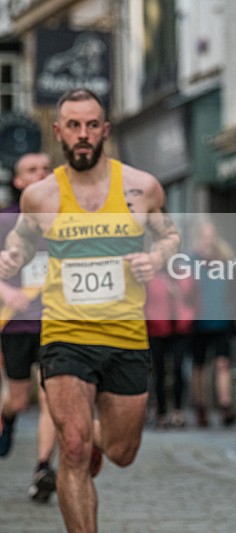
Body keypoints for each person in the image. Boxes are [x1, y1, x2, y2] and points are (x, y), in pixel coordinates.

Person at [0, 88, 180, 533]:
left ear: (105, 130)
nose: (83, 135)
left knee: (121, 451)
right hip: (64, 333)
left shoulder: (141, 187)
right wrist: (10, 260)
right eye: (73, 126)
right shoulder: (41, 196)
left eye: (91, 125)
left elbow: (170, 235)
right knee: (74, 447)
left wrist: (154, 258)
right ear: (58, 132)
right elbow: (19, 242)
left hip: (125, 337)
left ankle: (99, 435)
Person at [0, 152, 60, 503]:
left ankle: (42, 467)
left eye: (46, 168)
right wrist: (6, 290)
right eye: (32, 169)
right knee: (21, 399)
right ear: (18, 180)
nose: (41, 173)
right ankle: (6, 416)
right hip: (16, 324)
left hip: (55, 319)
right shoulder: (6, 219)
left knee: (53, 393)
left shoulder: (62, 218)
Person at [189, 220, 236, 427]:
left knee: (222, 362)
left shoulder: (225, 259)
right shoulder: (189, 261)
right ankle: (201, 407)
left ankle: (225, 406)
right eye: (205, 234)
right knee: (200, 366)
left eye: (211, 234)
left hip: (221, 318)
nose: (208, 238)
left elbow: (234, 288)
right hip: (197, 320)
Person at [145, 268, 196, 428]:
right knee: (158, 371)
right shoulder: (149, 276)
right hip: (156, 328)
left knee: (178, 368)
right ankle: (161, 411)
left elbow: (193, 298)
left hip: (180, 328)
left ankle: (178, 410)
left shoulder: (184, 275)